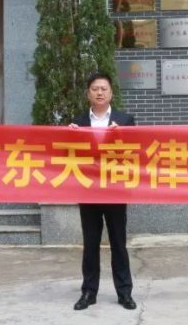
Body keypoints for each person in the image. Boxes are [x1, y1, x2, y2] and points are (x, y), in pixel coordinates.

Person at [68, 73, 137, 311]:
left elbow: (135, 152)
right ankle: (89, 292)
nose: (99, 92)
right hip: (88, 190)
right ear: (88, 93)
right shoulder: (78, 122)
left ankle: (124, 293)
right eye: (95, 89)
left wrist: (123, 135)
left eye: (104, 89)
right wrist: (69, 136)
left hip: (115, 190)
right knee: (90, 243)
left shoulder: (125, 120)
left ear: (111, 93)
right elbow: (68, 155)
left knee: (118, 243)